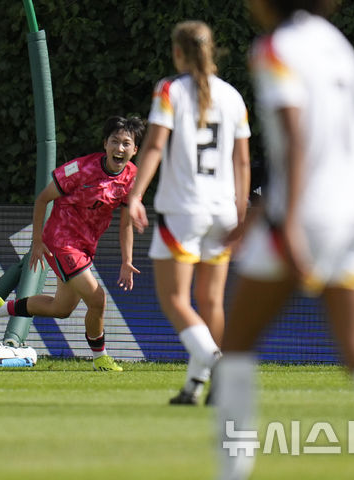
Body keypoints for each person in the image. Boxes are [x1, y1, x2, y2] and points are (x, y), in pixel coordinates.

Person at [214, 1, 354, 479]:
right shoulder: (336, 44)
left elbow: (296, 139)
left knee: (236, 346)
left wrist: (284, 221)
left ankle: (232, 472)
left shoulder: (275, 47)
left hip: (310, 215)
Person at [127, 21, 251, 405]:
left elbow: (153, 147)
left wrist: (135, 195)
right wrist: (241, 214)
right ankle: (196, 388)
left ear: (178, 52)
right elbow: (243, 162)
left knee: (174, 299)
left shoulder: (170, 91)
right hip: (224, 211)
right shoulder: (232, 96)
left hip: (184, 210)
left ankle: (216, 364)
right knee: (211, 302)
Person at [0, 116, 145, 371]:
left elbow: (127, 221)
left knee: (61, 308)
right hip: (61, 241)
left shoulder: (132, 177)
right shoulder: (80, 169)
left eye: (126, 144)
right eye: (114, 142)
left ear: (135, 149)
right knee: (98, 299)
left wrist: (127, 260)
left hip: (85, 246)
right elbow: (43, 199)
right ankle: (100, 359)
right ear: (105, 144)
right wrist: (38, 241)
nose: (120, 148)